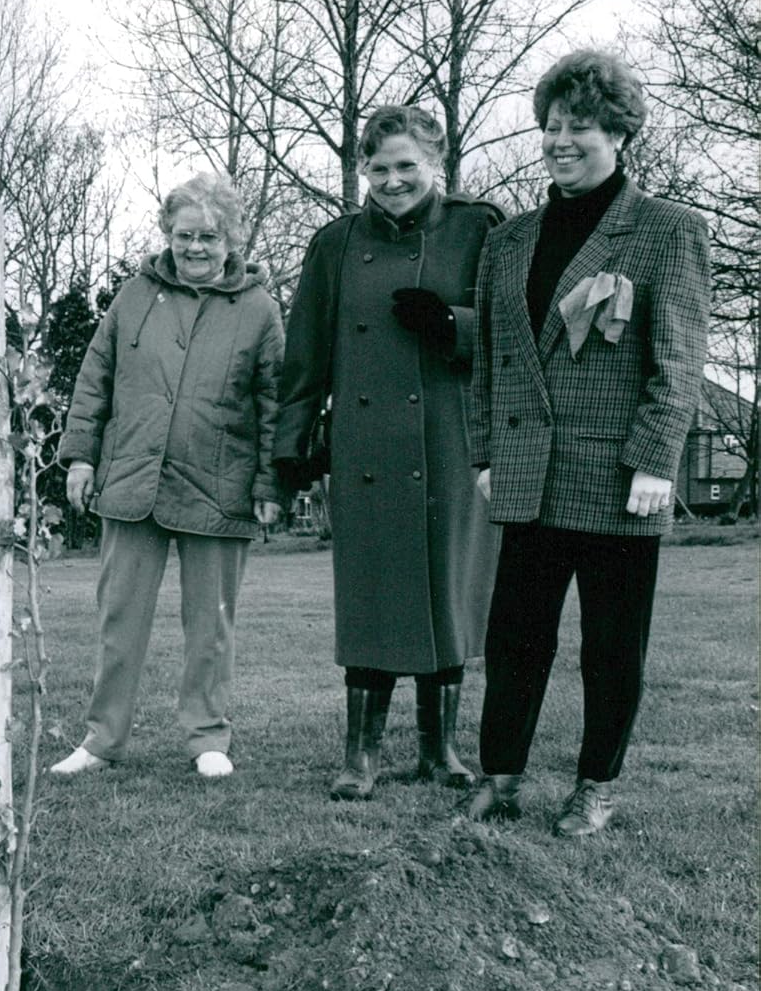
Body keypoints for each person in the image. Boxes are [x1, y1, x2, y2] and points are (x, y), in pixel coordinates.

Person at [465, 50, 710, 835]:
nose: (559, 140)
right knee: (515, 643)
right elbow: (489, 364)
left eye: (579, 127)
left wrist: (655, 458)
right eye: (550, 127)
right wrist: (482, 453)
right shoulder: (508, 241)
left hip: (617, 477)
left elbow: (679, 358)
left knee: (610, 649)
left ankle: (595, 786)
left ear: (620, 134)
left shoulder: (669, 231)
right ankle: (499, 777)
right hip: (528, 474)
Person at [274, 105, 504, 802]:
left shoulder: (480, 227)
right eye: (379, 168)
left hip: (452, 439)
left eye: (408, 166)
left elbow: (512, 328)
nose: (394, 180)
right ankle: (361, 755)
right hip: (365, 443)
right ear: (361, 171)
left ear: (437, 163)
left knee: (449, 590)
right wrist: (289, 451)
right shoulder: (335, 243)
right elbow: (304, 355)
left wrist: (453, 325)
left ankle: (442, 749)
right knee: (371, 595)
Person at [49, 173, 283, 780]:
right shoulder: (133, 296)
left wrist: (269, 484)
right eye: (184, 235)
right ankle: (101, 740)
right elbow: (93, 378)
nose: (195, 247)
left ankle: (208, 738)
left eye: (208, 236)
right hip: (130, 484)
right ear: (167, 235)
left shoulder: (259, 310)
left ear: (231, 237)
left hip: (221, 489)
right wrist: (80, 455)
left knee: (211, 624)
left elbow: (274, 405)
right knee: (118, 619)